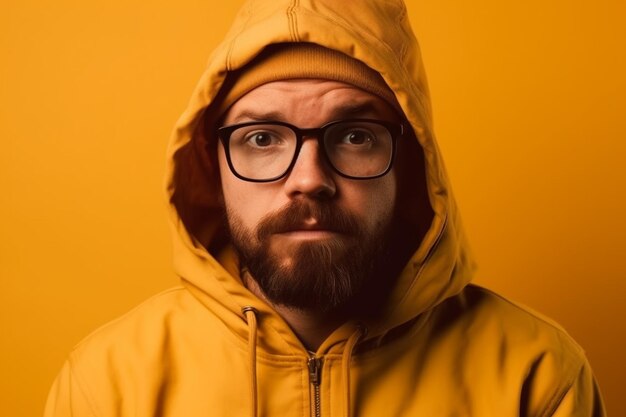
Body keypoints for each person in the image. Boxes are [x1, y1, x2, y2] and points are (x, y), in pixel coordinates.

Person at [44, 0, 606, 416]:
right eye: (262, 139)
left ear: (412, 164)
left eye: (356, 136)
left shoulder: (536, 376)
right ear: (211, 167)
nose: (308, 181)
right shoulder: (108, 386)